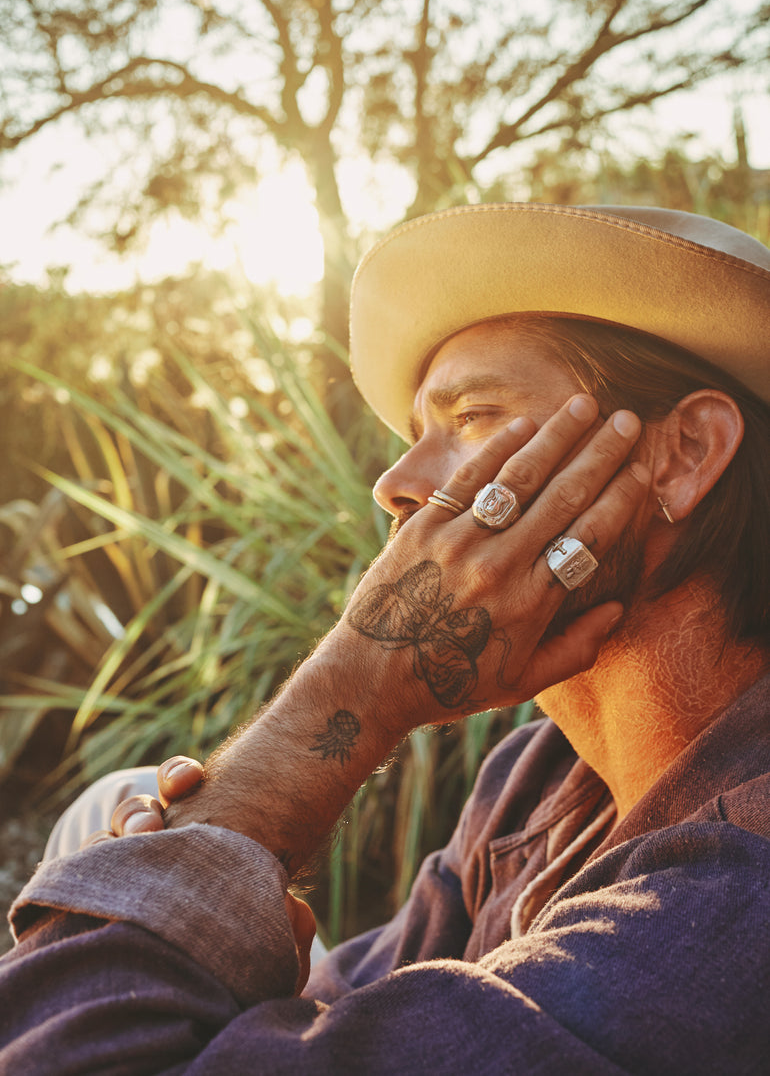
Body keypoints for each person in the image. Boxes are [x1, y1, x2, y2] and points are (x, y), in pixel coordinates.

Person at [2, 203, 770, 1074]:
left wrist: (346, 694)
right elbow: (352, 996)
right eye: (413, 437)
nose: (394, 485)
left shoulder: (732, 906)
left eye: (471, 415)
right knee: (123, 807)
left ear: (684, 452)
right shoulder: (537, 775)